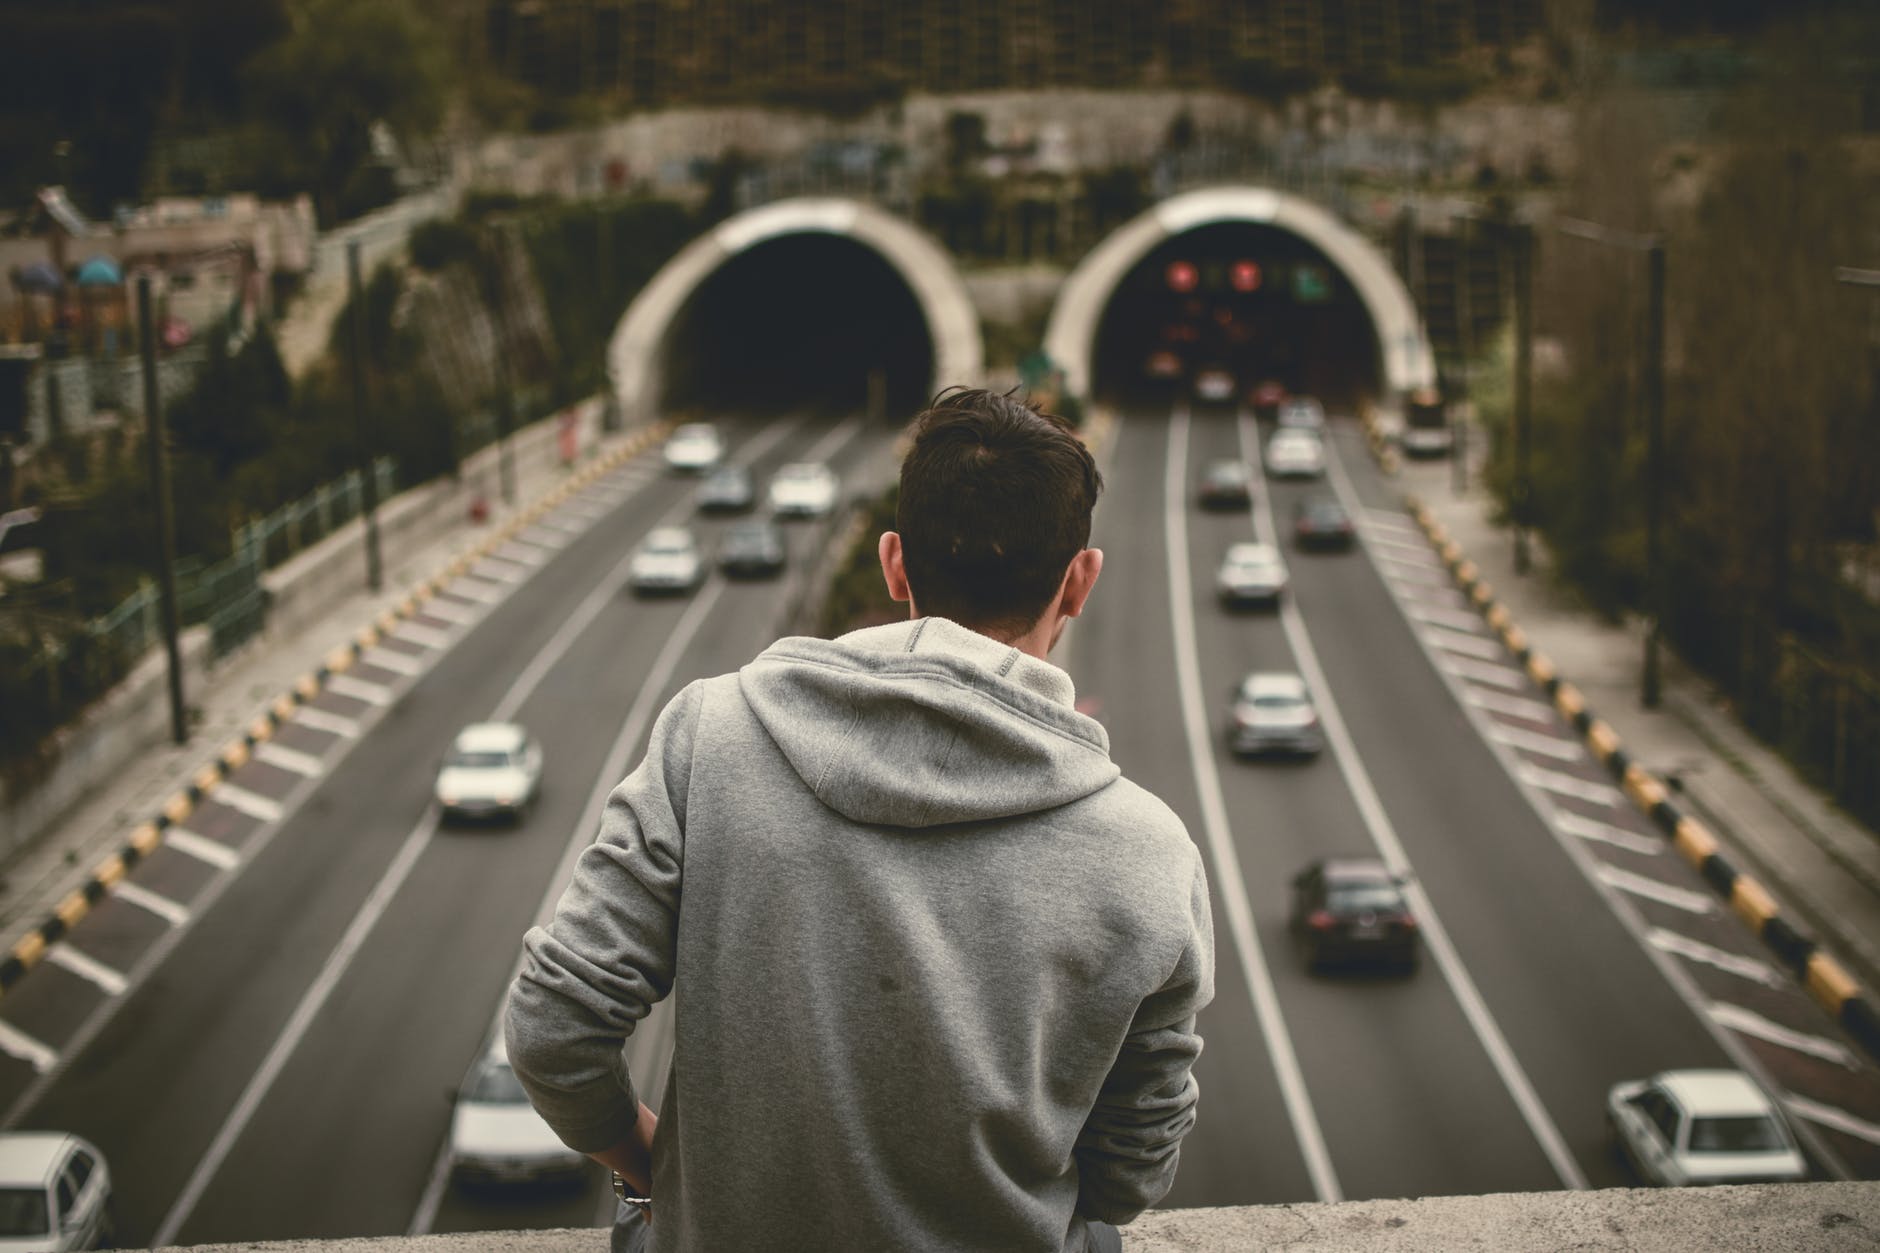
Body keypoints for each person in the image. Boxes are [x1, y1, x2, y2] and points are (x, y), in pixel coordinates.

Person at [505, 387, 1214, 1252]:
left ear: (893, 563)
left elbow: (552, 1030)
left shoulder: (711, 735)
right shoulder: (1149, 850)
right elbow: (1133, 1169)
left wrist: (657, 1165)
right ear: (1079, 579)